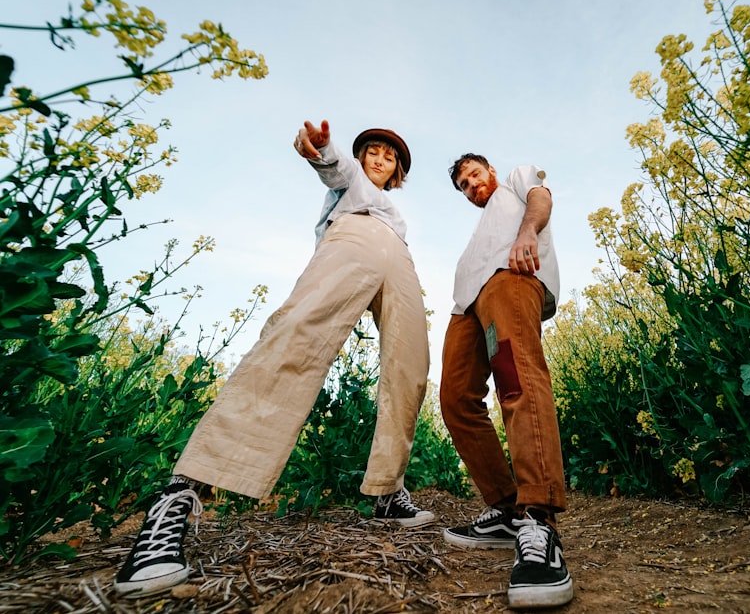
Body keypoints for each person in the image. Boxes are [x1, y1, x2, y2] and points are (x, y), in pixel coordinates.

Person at [113, 121, 435, 597]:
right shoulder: (354, 183)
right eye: (373, 151)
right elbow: (336, 167)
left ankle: (388, 492)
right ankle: (179, 497)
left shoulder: (396, 212)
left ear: (398, 172)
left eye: (389, 156)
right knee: (295, 340)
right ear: (363, 158)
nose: (379, 158)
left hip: (399, 258)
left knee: (411, 368)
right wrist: (323, 151)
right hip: (353, 241)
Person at [438, 153, 573, 609]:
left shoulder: (516, 181)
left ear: (491, 171)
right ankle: (505, 508)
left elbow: (541, 197)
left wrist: (528, 231)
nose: (471, 185)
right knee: (456, 399)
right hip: (467, 305)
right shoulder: (480, 227)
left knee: (515, 378)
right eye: (463, 185)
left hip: (512, 277)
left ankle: (538, 517)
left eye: (474, 175)